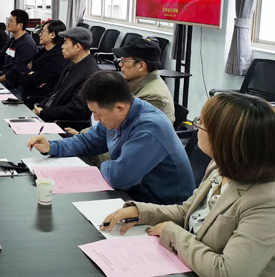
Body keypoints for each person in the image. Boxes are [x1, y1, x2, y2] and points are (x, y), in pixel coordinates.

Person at [101, 93, 275, 277]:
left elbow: (228, 273)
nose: (196, 126)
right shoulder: (219, 166)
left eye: (201, 123)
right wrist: (141, 212)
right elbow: (187, 212)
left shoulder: (266, 202)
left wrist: (173, 234)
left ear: (223, 138)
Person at [27, 71, 195, 205]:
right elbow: (89, 141)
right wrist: (52, 146)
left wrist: (99, 166)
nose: (96, 119)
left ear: (119, 108)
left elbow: (120, 178)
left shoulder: (149, 129)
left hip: (161, 206)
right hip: (134, 194)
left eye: (98, 114)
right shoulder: (119, 114)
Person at [33, 27, 99, 124]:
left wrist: (43, 112)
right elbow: (55, 93)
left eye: (65, 42)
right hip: (49, 115)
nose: (62, 46)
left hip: (62, 124)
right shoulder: (72, 63)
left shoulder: (90, 74)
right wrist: (40, 106)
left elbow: (75, 109)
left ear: (77, 47)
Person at [113, 36, 175, 123]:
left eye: (124, 61)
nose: (120, 64)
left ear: (141, 66)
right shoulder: (137, 82)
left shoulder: (153, 97)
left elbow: (134, 127)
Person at [20, 20, 70, 107]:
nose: (39, 35)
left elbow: (31, 79)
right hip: (28, 94)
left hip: (39, 102)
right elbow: (24, 68)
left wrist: (31, 75)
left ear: (52, 35)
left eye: (42, 32)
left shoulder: (58, 57)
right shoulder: (44, 51)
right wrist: (31, 74)